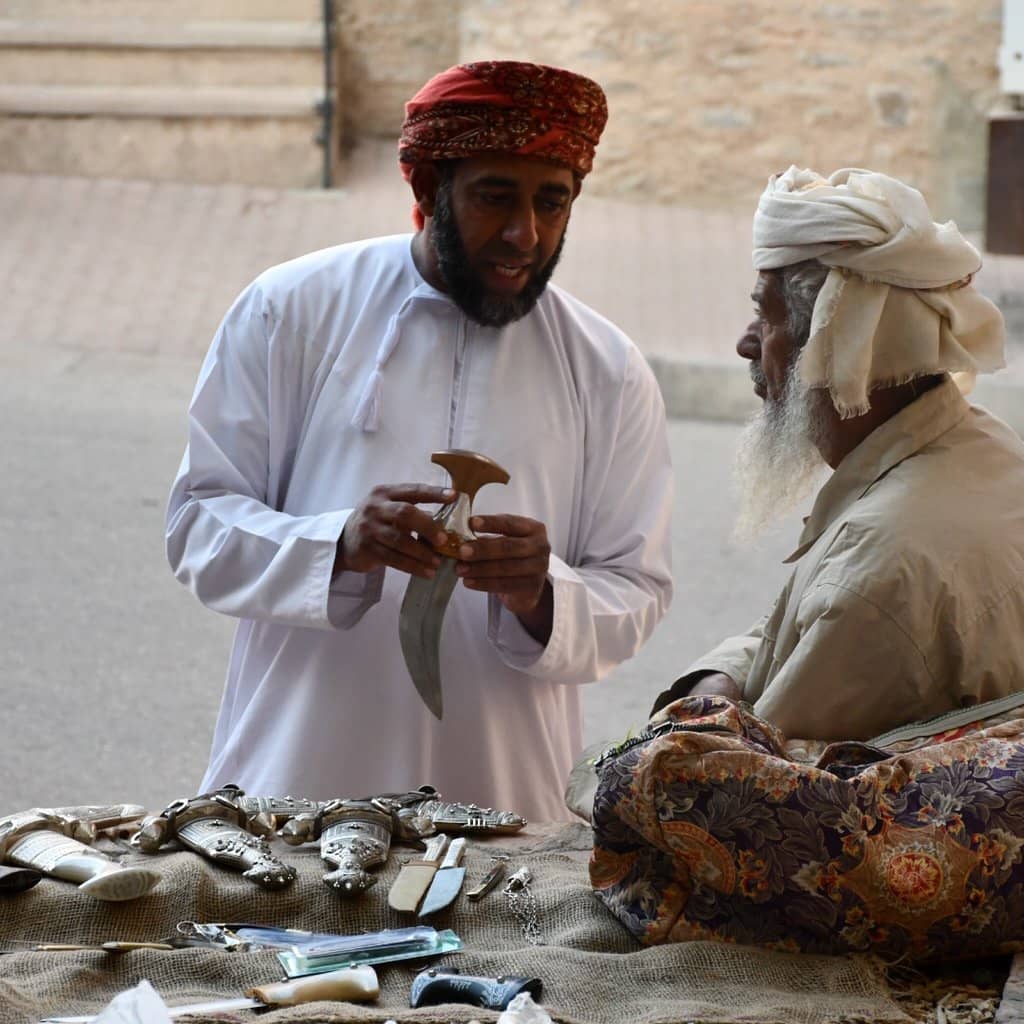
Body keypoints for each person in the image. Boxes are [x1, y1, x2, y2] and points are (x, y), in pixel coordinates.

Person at [166, 61, 673, 821]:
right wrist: (337, 542)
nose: (523, 233)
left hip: (503, 791)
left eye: (552, 201)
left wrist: (543, 593)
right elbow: (198, 524)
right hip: (293, 770)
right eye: (494, 195)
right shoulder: (291, 309)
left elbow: (637, 589)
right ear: (430, 188)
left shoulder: (607, 368)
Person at [652, 166, 1024, 742]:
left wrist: (695, 723)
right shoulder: (982, 444)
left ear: (833, 344)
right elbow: (802, 630)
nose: (747, 342)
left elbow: (751, 783)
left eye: (767, 315)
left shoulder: (880, 565)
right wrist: (718, 677)